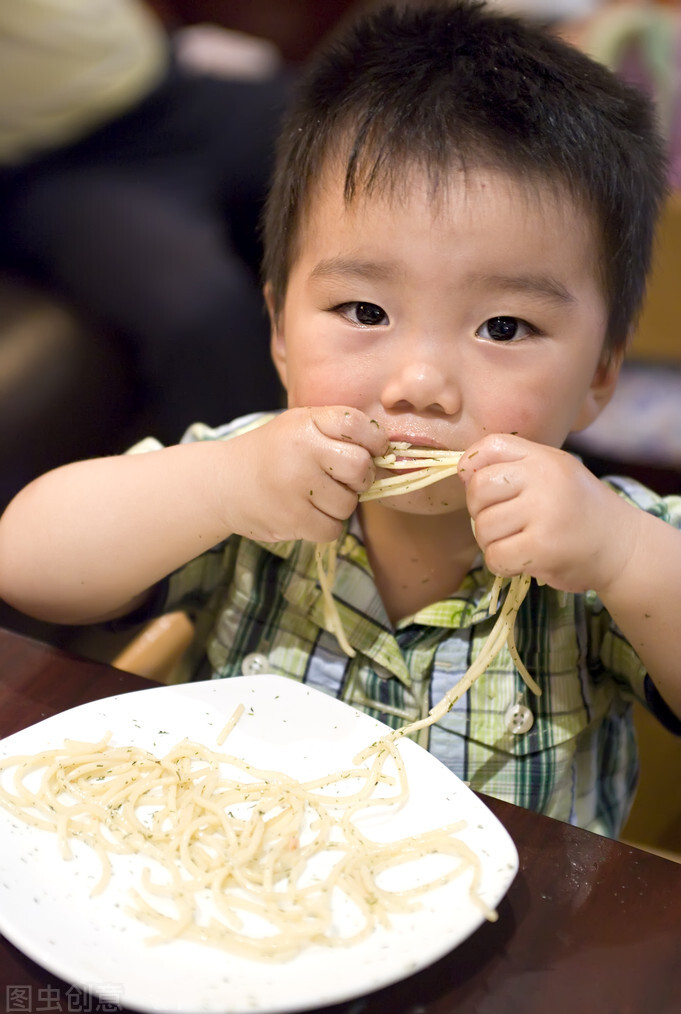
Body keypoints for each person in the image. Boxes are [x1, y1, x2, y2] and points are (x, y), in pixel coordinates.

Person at [1, 0, 680, 840]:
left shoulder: (604, 546)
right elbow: (23, 560)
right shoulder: (248, 489)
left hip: (514, 954)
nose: (420, 384)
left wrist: (622, 555)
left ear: (598, 377)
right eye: (363, 310)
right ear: (280, 331)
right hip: (245, 908)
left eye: (503, 328)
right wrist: (219, 484)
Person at [0, 0, 288, 443]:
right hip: (62, 162)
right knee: (204, 317)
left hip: (168, 88)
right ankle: (257, 499)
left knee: (367, 139)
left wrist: (172, 38)